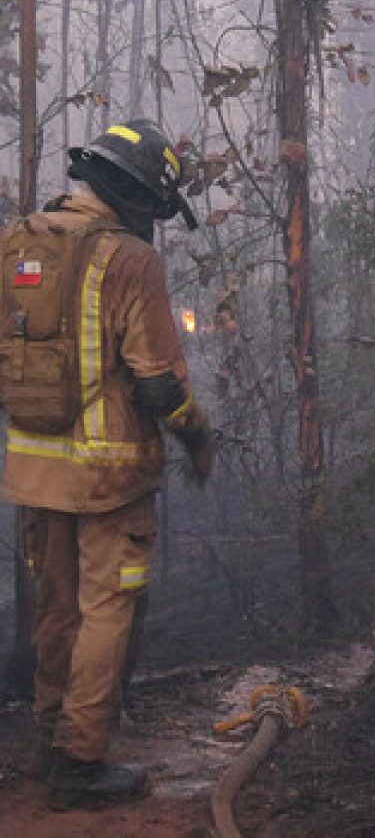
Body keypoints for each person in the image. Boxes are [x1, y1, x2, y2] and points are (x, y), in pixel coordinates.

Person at [1, 118, 214, 811]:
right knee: (106, 610)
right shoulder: (131, 260)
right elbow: (157, 381)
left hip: (34, 469)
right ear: (137, 197)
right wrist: (197, 437)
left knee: (56, 608)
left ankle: (45, 739)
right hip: (110, 476)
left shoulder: (17, 242)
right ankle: (80, 758)